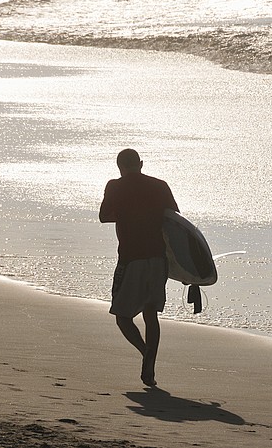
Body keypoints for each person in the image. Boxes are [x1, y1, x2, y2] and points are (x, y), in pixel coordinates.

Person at [99, 149, 179, 387]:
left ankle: (145, 354)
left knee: (122, 316)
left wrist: (127, 215)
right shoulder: (160, 185)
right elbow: (174, 221)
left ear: (118, 165)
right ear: (141, 164)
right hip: (157, 258)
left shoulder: (115, 186)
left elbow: (104, 216)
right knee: (150, 313)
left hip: (130, 258)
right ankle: (149, 364)